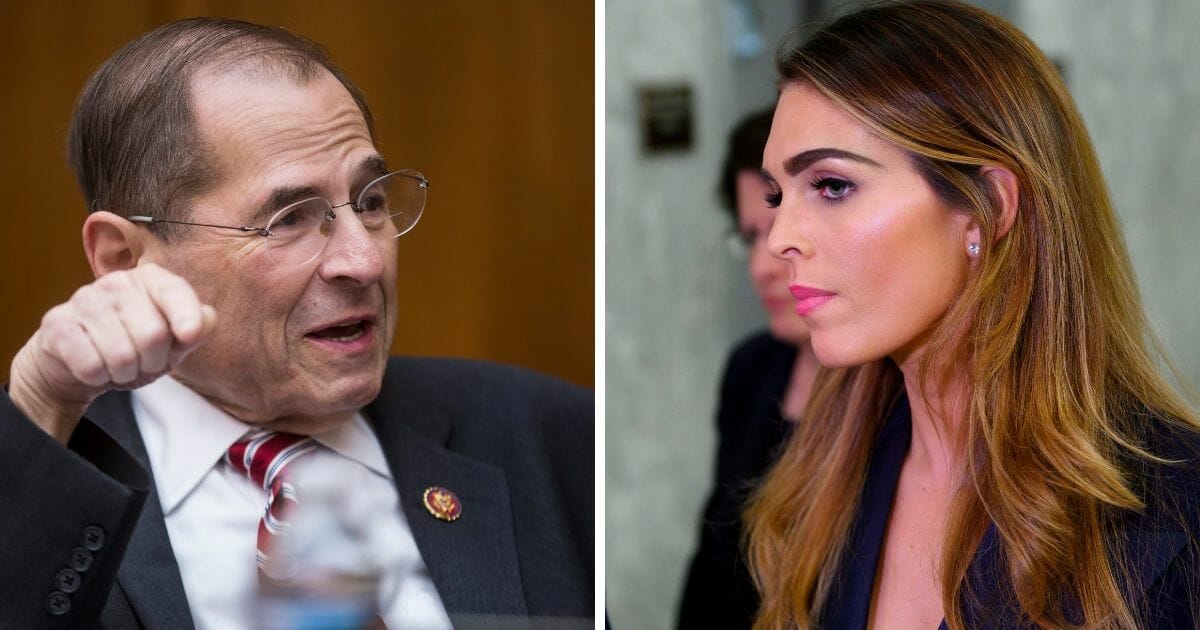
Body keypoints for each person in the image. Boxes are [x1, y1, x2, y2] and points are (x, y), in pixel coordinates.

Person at [0, 17, 592, 629]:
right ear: (126, 258)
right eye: (288, 218)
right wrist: (40, 413)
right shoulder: (44, 483)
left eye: (370, 202)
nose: (362, 261)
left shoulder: (553, 440)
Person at [744, 1, 1200, 628]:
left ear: (987, 206)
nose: (779, 238)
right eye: (777, 196)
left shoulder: (1172, 520)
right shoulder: (825, 479)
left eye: (831, 186)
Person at [676, 108, 819, 629]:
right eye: (751, 236)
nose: (762, 266)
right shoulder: (752, 368)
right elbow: (712, 565)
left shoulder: (896, 390)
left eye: (778, 230)